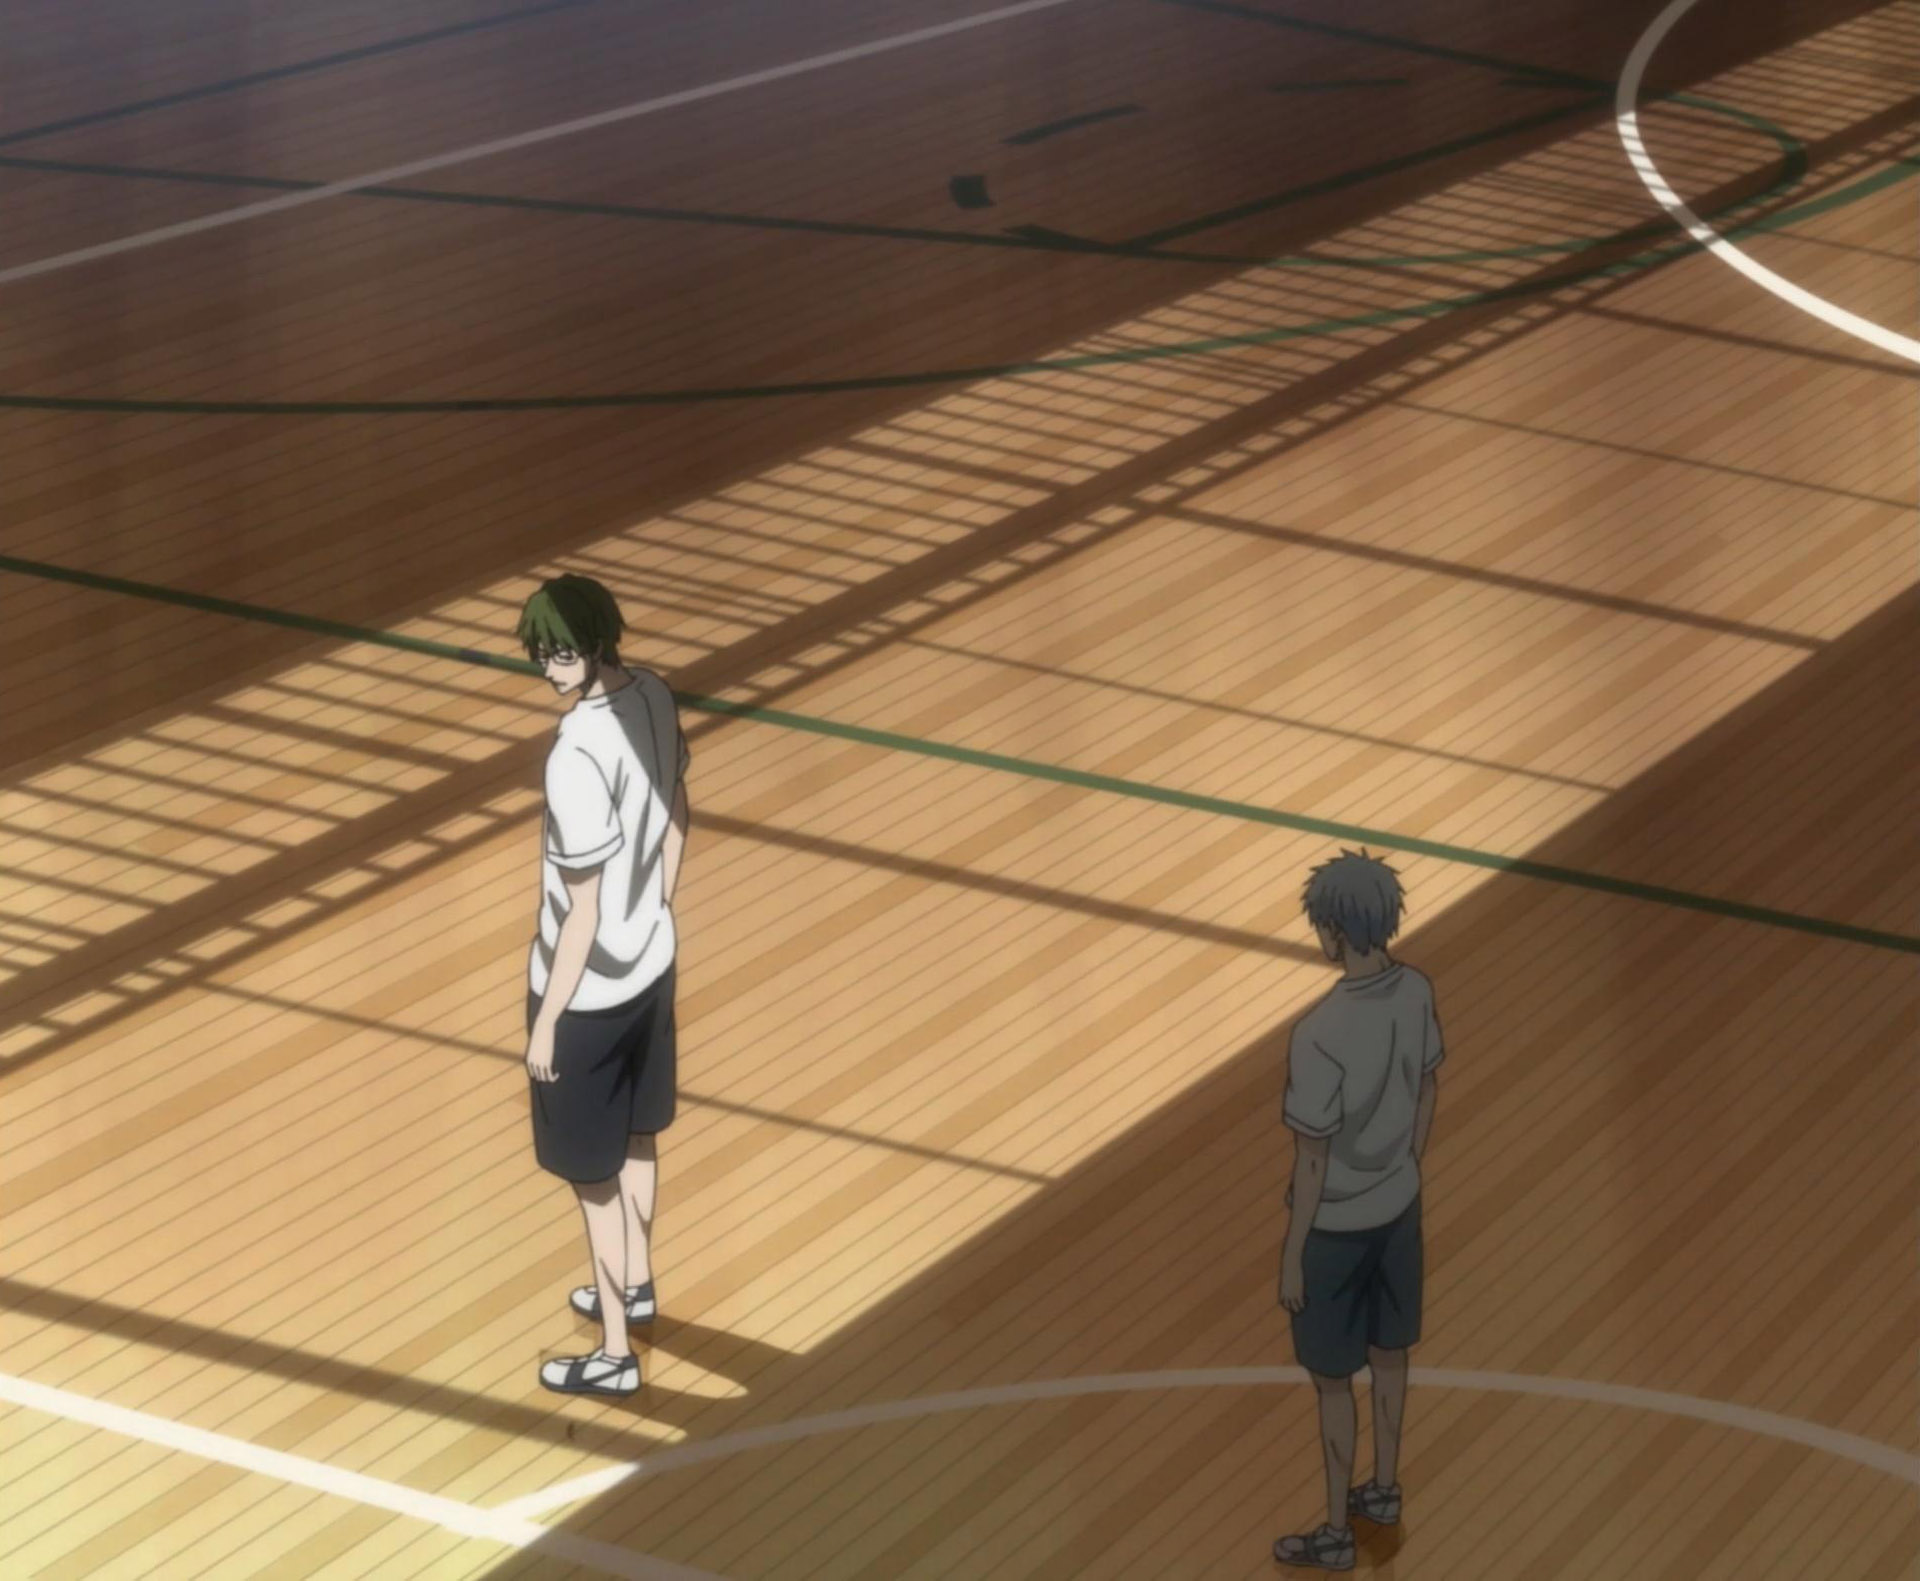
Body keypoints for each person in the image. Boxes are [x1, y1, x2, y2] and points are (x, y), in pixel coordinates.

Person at [515, 572, 690, 1398]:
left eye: (559, 654)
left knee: (594, 1182)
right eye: (541, 656)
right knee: (638, 1137)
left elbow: (579, 911)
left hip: (586, 997)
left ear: (593, 643)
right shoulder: (654, 695)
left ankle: (615, 1351)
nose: (548, 670)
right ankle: (640, 1282)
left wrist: (547, 1020)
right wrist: (656, 906)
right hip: (652, 962)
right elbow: (679, 806)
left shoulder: (575, 755)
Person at [1274, 849, 1442, 1570]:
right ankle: (1386, 1490)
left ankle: (1337, 1532)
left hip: (1336, 1232)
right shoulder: (1417, 991)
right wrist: (1407, 1164)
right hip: (1399, 1209)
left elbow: (1312, 1160)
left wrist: (1292, 1256)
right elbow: (1427, 1086)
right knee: (1391, 1356)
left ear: (1335, 930)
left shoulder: (1319, 1033)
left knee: (1333, 1381)